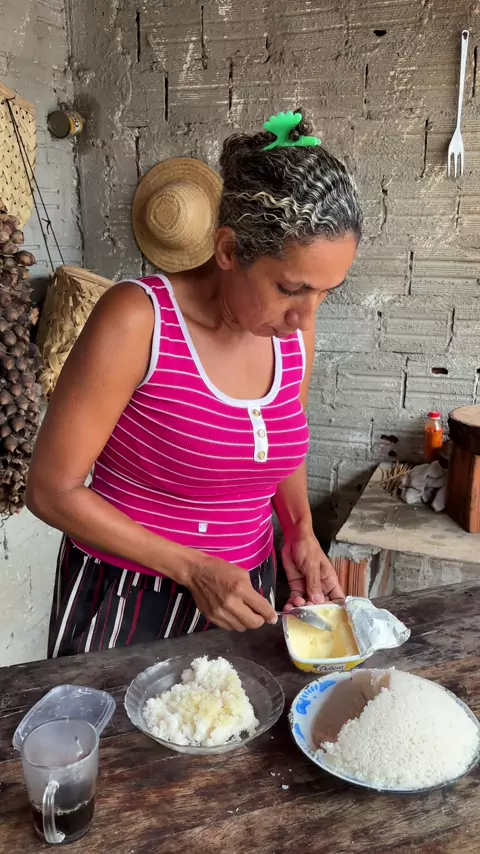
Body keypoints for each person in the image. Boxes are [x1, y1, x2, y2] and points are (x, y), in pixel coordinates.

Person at [27, 110, 362, 656]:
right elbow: (50, 490)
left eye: (326, 292)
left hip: (246, 591)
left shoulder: (292, 330)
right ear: (228, 250)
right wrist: (192, 568)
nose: (306, 315)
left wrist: (300, 531)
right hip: (132, 597)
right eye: (290, 288)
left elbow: (278, 439)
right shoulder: (138, 320)